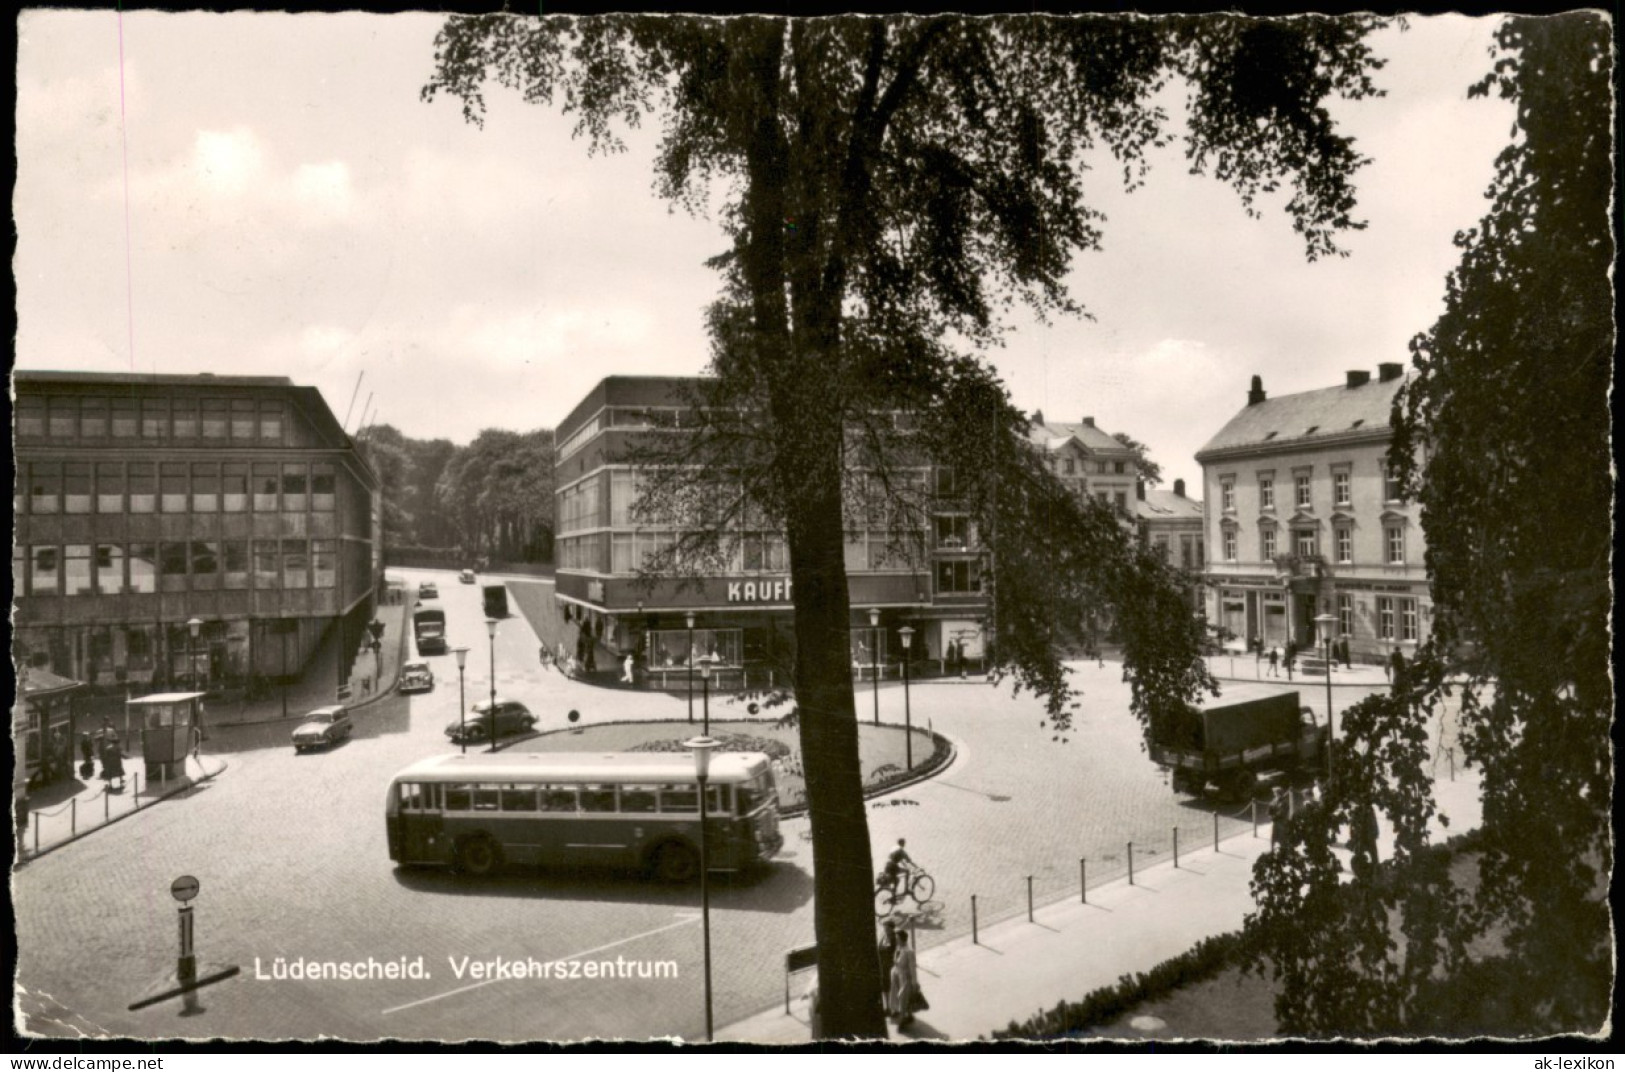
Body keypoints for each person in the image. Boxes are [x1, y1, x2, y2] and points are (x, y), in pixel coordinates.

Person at [889, 930, 926, 1028]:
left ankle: (903, 1020)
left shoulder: (909, 951)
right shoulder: (898, 948)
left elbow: (912, 968)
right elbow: (896, 962)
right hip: (897, 975)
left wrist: (914, 983)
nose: (896, 940)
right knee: (898, 997)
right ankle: (907, 1015)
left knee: (903, 998)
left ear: (902, 939)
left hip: (905, 979)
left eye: (897, 938)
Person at [877, 919, 899, 1018]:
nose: (885, 929)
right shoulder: (884, 936)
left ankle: (894, 1009)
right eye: (884, 927)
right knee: (885, 988)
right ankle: (887, 1008)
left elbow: (895, 953)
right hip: (883, 966)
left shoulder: (895, 938)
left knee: (892, 988)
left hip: (891, 967)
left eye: (886, 928)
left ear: (891, 928)